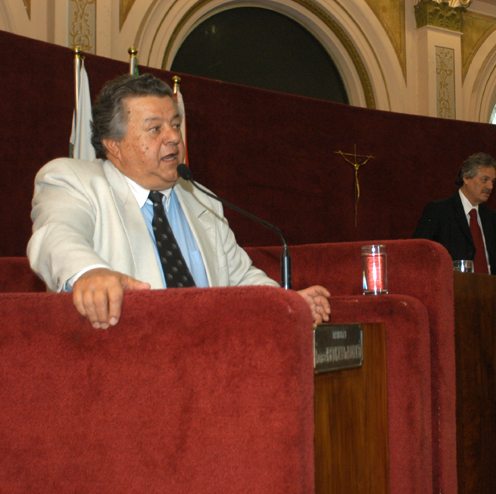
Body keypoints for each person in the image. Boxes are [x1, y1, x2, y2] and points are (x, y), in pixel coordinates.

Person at [27, 74, 330, 328]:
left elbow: (241, 279)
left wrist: (286, 305)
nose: (173, 137)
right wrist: (89, 273)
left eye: (175, 124)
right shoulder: (75, 181)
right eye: (155, 129)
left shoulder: (201, 199)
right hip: (125, 367)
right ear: (114, 146)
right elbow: (57, 236)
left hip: (210, 361)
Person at [412, 152, 496, 274]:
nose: (490, 186)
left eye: (493, 181)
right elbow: (419, 252)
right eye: (485, 180)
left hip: (487, 289)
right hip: (450, 288)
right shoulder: (439, 210)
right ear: (466, 178)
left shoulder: (490, 217)